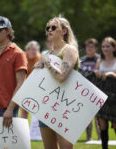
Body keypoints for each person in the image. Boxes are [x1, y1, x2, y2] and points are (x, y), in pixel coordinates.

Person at [35, 16, 79, 149]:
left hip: (64, 107)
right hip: (47, 105)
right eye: (47, 28)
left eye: (53, 27)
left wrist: (46, 62)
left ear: (64, 31)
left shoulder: (69, 50)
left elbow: (61, 77)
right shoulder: (49, 52)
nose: (49, 30)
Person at [95, 37, 116, 149]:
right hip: (101, 96)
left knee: (115, 124)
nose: (105, 48)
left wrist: (111, 74)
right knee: (102, 125)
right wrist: (97, 72)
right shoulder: (99, 61)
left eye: (108, 46)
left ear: (114, 48)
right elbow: (95, 75)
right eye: (103, 46)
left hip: (114, 97)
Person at [80, 38, 100, 141]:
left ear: (96, 48)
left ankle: (100, 138)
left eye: (91, 47)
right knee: (87, 117)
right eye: (87, 47)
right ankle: (89, 138)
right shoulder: (82, 60)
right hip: (85, 91)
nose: (89, 49)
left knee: (98, 117)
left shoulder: (99, 59)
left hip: (97, 91)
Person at [21, 40, 40, 118]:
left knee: (36, 110)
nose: (34, 52)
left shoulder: (39, 58)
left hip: (35, 87)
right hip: (24, 86)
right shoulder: (23, 57)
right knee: (24, 110)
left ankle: (35, 129)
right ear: (27, 50)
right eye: (32, 49)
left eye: (35, 50)